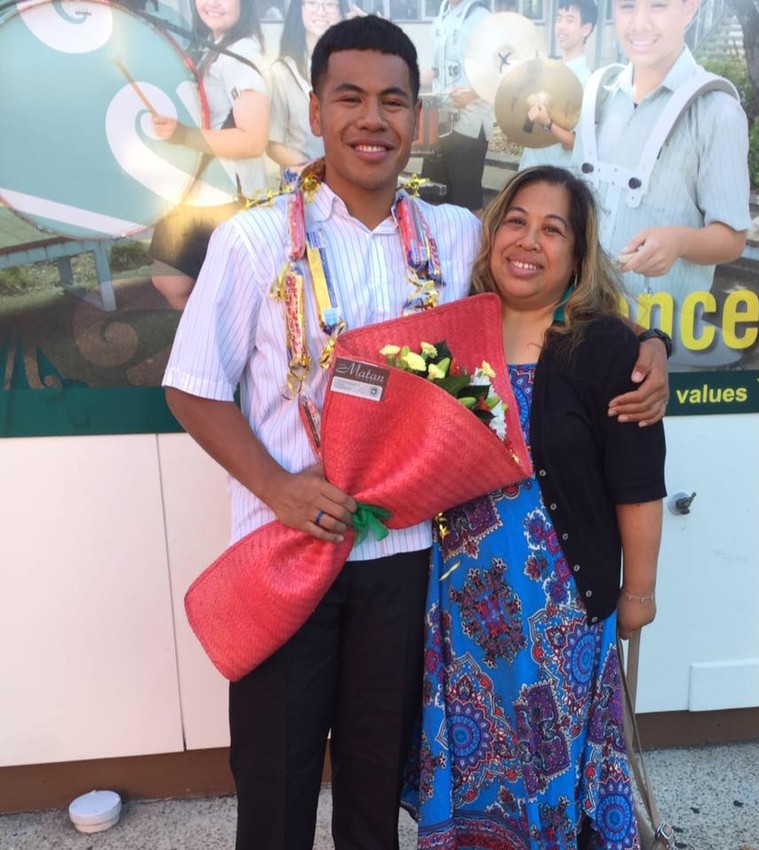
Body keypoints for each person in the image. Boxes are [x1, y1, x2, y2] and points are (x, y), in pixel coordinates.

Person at [163, 15, 666, 850]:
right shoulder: (252, 243)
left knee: (375, 792)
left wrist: (651, 346)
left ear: (417, 118)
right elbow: (193, 391)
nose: (373, 118)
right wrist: (280, 488)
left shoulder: (454, 236)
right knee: (275, 793)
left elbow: (554, 302)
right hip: (291, 561)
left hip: (406, 570)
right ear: (316, 110)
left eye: (393, 100)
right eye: (350, 97)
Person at [403, 165, 666, 849]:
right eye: (516, 220)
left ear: (578, 257)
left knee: (550, 774)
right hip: (458, 618)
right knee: (472, 769)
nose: (529, 240)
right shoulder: (456, 338)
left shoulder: (605, 348)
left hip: (562, 622)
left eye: (554, 229)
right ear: (493, 236)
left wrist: (638, 594)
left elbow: (637, 483)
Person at [571, 0, 750, 360]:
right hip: (583, 328)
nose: (639, 23)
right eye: (627, 7)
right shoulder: (599, 96)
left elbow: (732, 238)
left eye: (658, 6)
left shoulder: (717, 111)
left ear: (690, 9)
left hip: (665, 341)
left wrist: (679, 242)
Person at [149, 0, 271, 310]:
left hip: (227, 195)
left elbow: (253, 140)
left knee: (184, 283)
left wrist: (183, 135)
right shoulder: (214, 46)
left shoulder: (242, 54)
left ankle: (221, 345)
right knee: (174, 281)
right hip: (199, 191)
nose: (212, 3)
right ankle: (216, 343)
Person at [422, 0, 493, 214]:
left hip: (469, 123)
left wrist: (472, 94)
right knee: (430, 193)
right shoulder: (440, 16)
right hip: (437, 120)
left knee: (466, 200)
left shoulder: (482, 17)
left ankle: (474, 247)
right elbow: (434, 71)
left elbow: (501, 72)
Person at [266, 0, 349, 172]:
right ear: (300, 10)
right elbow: (272, 144)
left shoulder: (354, 69)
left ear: (341, 12)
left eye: (330, 5)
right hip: (304, 187)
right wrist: (316, 171)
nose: (321, 11)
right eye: (312, 3)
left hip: (351, 185)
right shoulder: (282, 72)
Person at [519, 0, 597, 172]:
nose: (561, 26)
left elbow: (579, 146)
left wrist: (548, 123)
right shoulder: (550, 71)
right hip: (529, 169)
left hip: (556, 178)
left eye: (569, 20)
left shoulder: (587, 82)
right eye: (558, 19)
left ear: (586, 29)